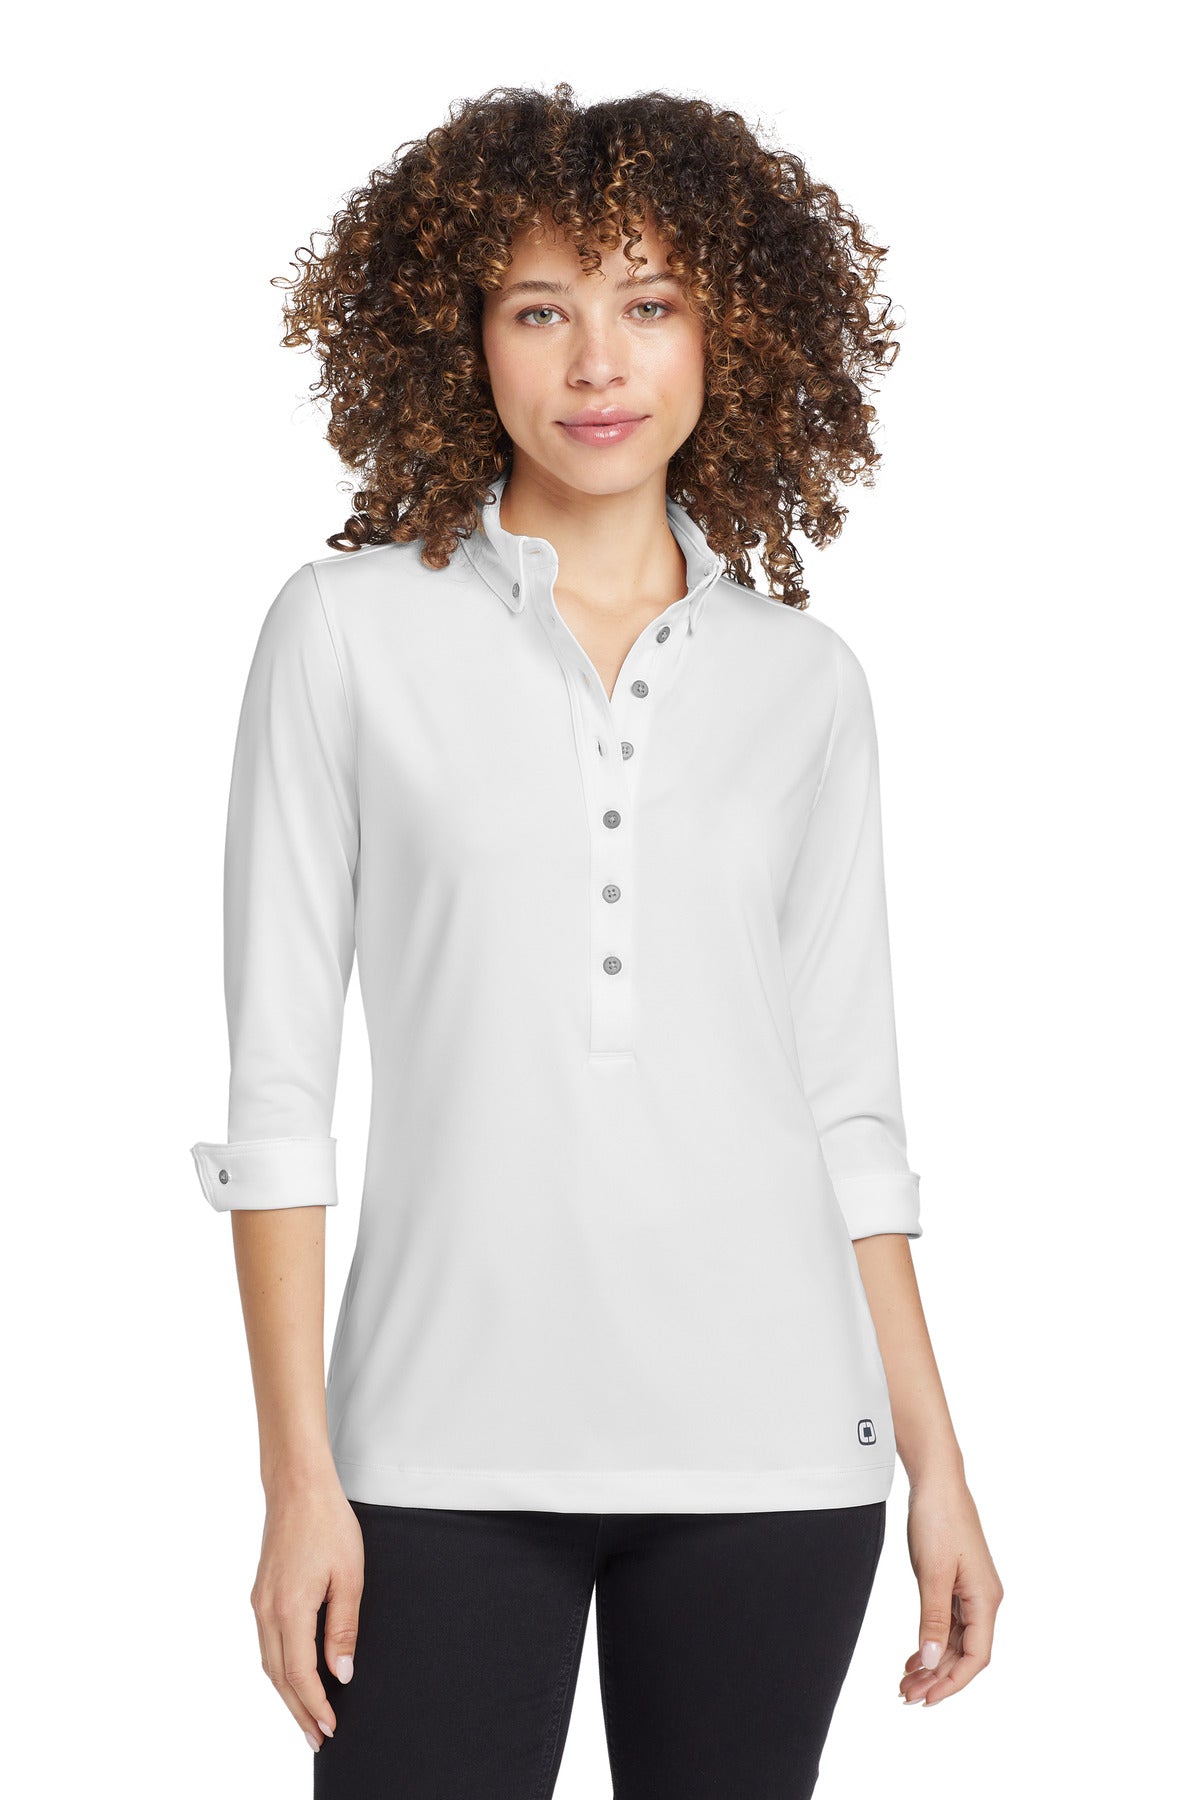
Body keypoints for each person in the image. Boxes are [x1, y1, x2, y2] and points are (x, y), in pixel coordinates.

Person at [188, 82, 1003, 1799]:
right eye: (540, 310)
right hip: (430, 1456)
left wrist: (938, 1467)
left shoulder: (807, 685)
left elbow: (850, 1115)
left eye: (649, 303)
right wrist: (295, 1478)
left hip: (777, 1458)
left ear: (729, 333)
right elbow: (277, 1102)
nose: (597, 363)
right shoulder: (343, 636)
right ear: (462, 338)